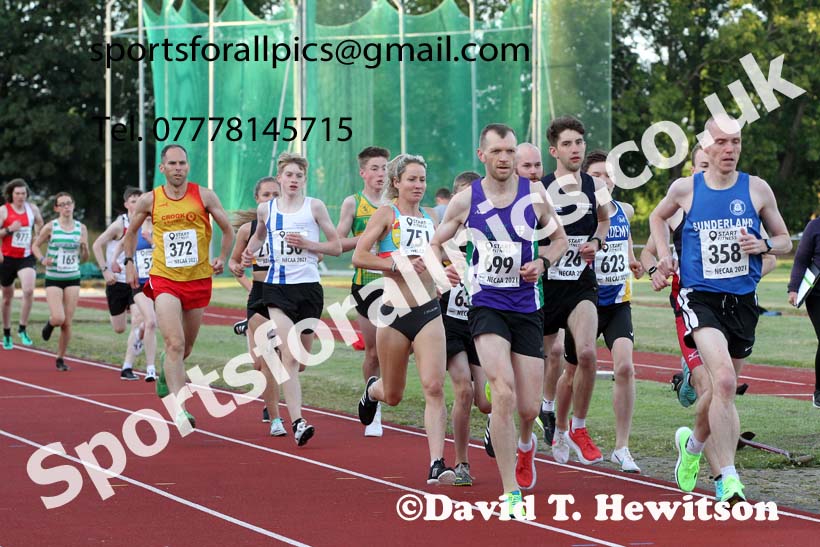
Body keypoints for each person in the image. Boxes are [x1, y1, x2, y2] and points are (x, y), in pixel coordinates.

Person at [650, 114, 791, 504]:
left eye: (736, 142)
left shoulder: (757, 189)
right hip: (701, 299)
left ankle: (692, 446)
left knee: (719, 395)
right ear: (706, 146)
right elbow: (656, 217)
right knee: (724, 382)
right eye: (722, 142)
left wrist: (762, 246)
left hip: (743, 302)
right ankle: (729, 478)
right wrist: (663, 257)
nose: (730, 149)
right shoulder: (685, 188)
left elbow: (783, 241)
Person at [431, 124, 568, 511]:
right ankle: (511, 491)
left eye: (510, 151)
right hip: (487, 306)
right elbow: (435, 242)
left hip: (526, 307)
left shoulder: (534, 195)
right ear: (483, 156)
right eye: (497, 152)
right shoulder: (465, 200)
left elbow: (559, 240)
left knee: (527, 407)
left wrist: (542, 261)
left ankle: (524, 444)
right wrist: (448, 266)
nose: (505, 158)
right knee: (503, 394)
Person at [355, 153, 457, 485]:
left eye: (422, 179)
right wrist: (397, 265)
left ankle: (436, 463)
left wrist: (446, 273)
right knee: (394, 394)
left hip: (429, 311)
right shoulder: (387, 214)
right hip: (394, 313)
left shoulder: (431, 217)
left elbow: (439, 257)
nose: (418, 185)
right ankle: (373, 391)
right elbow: (359, 256)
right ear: (396, 182)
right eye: (411, 179)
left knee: (433, 386)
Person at [123, 144, 235, 429]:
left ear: (187, 166)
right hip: (164, 278)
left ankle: (165, 368)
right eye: (172, 164)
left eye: (182, 163)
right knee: (175, 342)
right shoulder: (149, 200)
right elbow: (132, 231)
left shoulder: (204, 195)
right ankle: (179, 410)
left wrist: (222, 257)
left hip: (197, 279)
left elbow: (227, 229)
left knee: (185, 348)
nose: (177, 168)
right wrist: (129, 262)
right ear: (162, 168)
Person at [243, 153, 341, 446]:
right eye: (289, 175)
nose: (294, 180)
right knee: (288, 355)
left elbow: (336, 246)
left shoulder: (315, 207)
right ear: (280, 178)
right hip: (276, 289)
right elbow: (259, 237)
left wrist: (308, 244)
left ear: (304, 179)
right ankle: (298, 422)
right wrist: (249, 251)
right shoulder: (266, 210)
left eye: (299, 175)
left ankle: (294, 411)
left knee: (300, 362)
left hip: (309, 289)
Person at [539, 116, 611, 467]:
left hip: (580, 284)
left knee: (586, 354)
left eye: (579, 142)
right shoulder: (540, 188)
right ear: (554, 150)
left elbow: (604, 220)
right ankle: (536, 421)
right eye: (567, 143)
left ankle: (578, 428)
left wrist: (596, 241)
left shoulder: (595, 186)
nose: (575, 149)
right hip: (543, 287)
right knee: (542, 362)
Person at [580, 150, 643, 472]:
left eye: (608, 174)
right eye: (597, 175)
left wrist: (634, 262)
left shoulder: (623, 211)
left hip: (619, 302)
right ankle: (569, 427)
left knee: (626, 368)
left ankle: (622, 446)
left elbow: (626, 247)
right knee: (576, 368)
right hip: (586, 302)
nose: (604, 180)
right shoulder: (580, 215)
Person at [438, 169, 491, 485]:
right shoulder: (442, 235)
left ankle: (493, 423)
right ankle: (462, 463)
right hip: (450, 322)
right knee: (464, 390)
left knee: (486, 401)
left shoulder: (492, 233)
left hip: (483, 322)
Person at [336, 146, 391, 437]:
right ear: (363, 173)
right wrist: (368, 238)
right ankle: (375, 408)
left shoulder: (397, 202)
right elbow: (338, 242)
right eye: (375, 168)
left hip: (395, 283)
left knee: (394, 349)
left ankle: (384, 392)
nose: (380, 174)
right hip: (366, 283)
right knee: (373, 351)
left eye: (384, 168)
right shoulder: (353, 203)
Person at [229, 176, 287, 435]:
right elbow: (234, 264)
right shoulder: (248, 230)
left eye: (276, 194)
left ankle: (272, 401)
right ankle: (276, 419)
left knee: (286, 358)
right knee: (264, 361)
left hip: (287, 294)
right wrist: (245, 277)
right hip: (260, 295)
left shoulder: (290, 227)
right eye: (266, 195)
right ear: (258, 199)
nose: (272, 199)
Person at [515, 142, 564, 445]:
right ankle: (502, 418)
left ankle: (546, 407)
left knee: (552, 353)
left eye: (537, 166)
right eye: (527, 166)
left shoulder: (543, 195)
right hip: (503, 294)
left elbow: (561, 238)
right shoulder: (493, 196)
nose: (534, 172)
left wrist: (541, 259)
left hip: (547, 285)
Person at [92, 187, 147, 380]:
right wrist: (105, 270)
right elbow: (97, 244)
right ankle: (136, 337)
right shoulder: (119, 224)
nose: (137, 204)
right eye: (133, 201)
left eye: (140, 200)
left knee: (140, 319)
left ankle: (127, 367)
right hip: (117, 281)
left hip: (137, 281)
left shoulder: (148, 222)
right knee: (119, 328)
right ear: (126, 205)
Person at [31, 192, 89, 371]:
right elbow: (35, 245)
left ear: (73, 205)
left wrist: (84, 246)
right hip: (54, 277)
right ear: (56, 208)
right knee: (58, 317)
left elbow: (85, 259)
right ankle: (50, 324)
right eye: (62, 204)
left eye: (69, 203)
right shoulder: (51, 227)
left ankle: (60, 358)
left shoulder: (81, 228)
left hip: (72, 276)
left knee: (67, 322)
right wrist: (42, 260)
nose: (66, 207)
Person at [0, 178, 44, 350]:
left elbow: (40, 223)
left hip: (26, 257)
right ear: (11, 194)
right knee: (7, 298)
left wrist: (37, 236)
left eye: (23, 193)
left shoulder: (32, 209)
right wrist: (10, 229)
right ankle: (6, 332)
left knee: (28, 290)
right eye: (17, 193)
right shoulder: (4, 211)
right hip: (7, 258)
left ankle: (22, 328)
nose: (20, 196)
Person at [788, 218, 820, 408]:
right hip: (817, 294)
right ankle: (819, 392)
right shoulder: (814, 227)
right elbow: (801, 259)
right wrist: (793, 288)